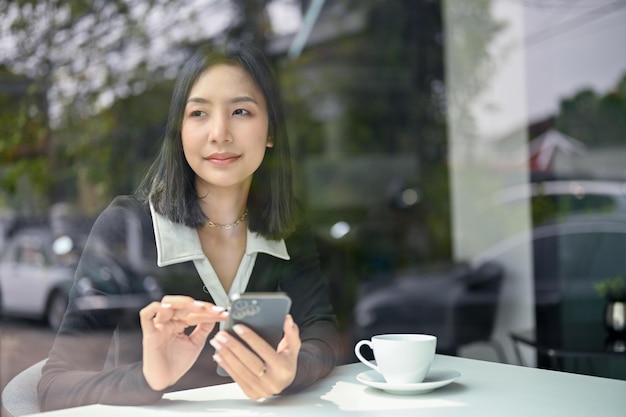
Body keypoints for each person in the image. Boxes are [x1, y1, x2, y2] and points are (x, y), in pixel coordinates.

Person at [37, 44, 340, 411]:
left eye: (241, 111)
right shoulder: (126, 228)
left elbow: (320, 335)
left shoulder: (286, 226)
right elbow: (54, 387)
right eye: (198, 113)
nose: (219, 133)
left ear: (271, 129)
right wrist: (148, 377)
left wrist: (291, 371)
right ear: (179, 131)